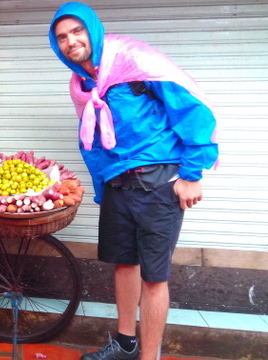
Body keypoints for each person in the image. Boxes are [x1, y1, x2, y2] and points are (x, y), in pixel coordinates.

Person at [49, 3, 218, 360]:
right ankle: (126, 344)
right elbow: (93, 142)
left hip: (158, 184)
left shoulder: (134, 60)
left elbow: (191, 110)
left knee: (154, 277)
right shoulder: (81, 84)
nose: (70, 41)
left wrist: (192, 174)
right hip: (117, 186)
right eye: (62, 37)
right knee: (124, 264)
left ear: (92, 30)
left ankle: (149, 356)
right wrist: (99, 188)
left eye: (77, 31)